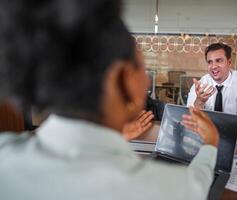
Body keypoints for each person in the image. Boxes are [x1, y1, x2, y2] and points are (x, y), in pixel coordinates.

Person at [0, 1, 219, 200]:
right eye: (142, 68)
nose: (147, 79)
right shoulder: (171, 189)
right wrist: (210, 144)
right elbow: (198, 182)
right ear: (123, 78)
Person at [187, 43, 237, 130]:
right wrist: (199, 102)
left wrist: (206, 121)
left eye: (219, 60)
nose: (214, 66)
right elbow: (190, 118)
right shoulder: (201, 85)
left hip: (236, 138)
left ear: (229, 62)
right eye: (210, 62)